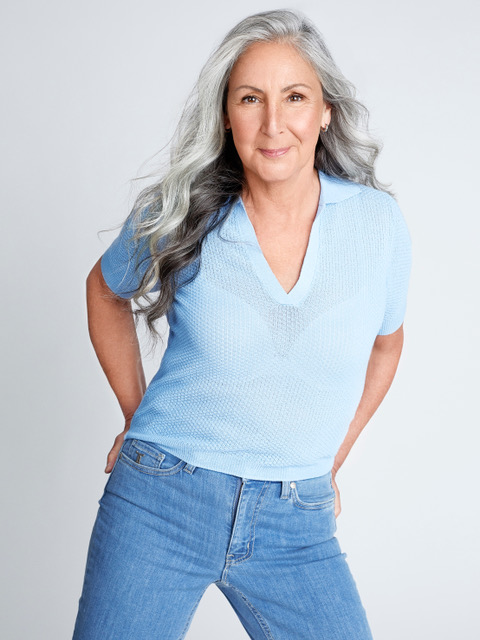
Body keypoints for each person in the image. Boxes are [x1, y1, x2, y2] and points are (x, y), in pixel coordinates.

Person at [73, 8, 412, 640]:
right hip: (159, 502)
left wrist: (329, 463)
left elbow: (386, 347)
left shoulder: (376, 225)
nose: (273, 123)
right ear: (227, 116)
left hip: (296, 522)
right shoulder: (183, 210)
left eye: (295, 97)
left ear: (326, 111)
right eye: (251, 98)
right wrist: (134, 414)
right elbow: (105, 289)